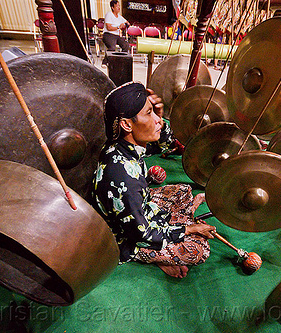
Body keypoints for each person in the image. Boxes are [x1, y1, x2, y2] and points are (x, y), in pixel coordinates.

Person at [92, 82, 216, 279]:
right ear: (126, 124)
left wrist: (159, 114)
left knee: (182, 190)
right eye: (149, 113)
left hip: (138, 209)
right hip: (126, 238)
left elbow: (165, 145)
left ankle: (177, 223)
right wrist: (189, 228)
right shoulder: (123, 177)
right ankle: (155, 257)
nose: (158, 120)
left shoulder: (122, 145)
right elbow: (141, 234)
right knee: (199, 249)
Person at [102, 0, 130, 67]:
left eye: (119, 5)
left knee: (125, 45)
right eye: (117, 6)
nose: (119, 7)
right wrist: (118, 27)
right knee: (112, 47)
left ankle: (121, 61)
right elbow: (109, 27)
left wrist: (126, 24)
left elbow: (127, 23)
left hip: (117, 35)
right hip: (108, 34)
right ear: (112, 7)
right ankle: (105, 62)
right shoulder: (109, 14)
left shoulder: (120, 17)